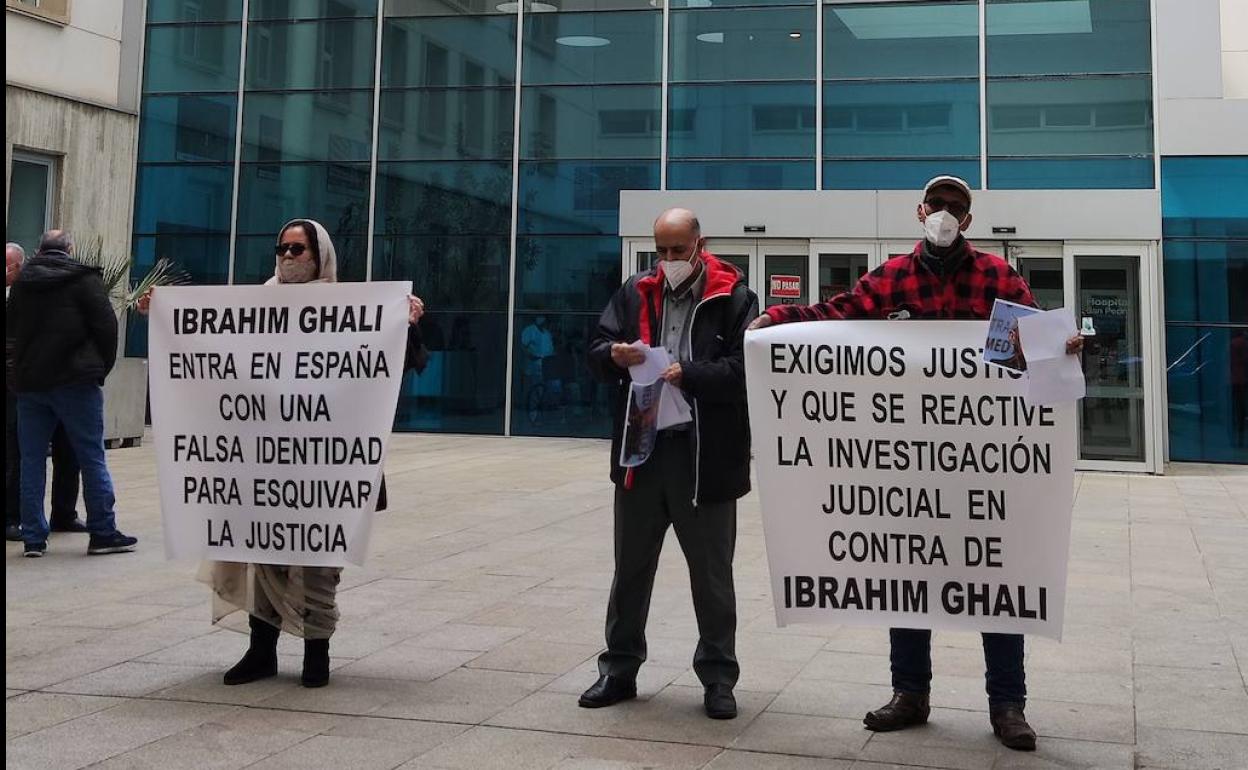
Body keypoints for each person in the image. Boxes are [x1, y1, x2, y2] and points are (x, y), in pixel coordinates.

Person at [750, 175, 1085, 751]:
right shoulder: (890, 278)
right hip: (910, 463)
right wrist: (775, 324)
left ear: (970, 221)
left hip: (987, 462)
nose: (946, 215)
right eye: (939, 205)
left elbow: (1035, 347)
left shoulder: (998, 277)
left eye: (958, 207)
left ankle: (1008, 705)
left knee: (998, 576)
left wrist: (1063, 344)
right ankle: (910, 692)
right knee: (908, 570)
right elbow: (838, 313)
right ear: (919, 211)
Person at [137, 218, 428, 688]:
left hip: (325, 466)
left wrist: (404, 324)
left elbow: (401, 364)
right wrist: (162, 314)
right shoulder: (256, 305)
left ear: (319, 255)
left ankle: (317, 653)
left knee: (318, 561)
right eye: (283, 248)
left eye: (298, 249)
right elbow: (208, 352)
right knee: (262, 553)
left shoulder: (349, 306)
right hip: (261, 462)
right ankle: (261, 651)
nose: (288, 257)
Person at [582, 208, 758, 720]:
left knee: (711, 575)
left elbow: (746, 370)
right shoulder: (636, 290)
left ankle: (719, 678)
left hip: (703, 458)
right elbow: (593, 347)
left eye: (678, 250)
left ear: (701, 244)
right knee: (630, 568)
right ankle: (618, 669)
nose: (668, 261)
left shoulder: (735, 297)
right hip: (642, 451)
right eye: (660, 250)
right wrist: (612, 354)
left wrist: (691, 374)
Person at [7, 231, 139, 558]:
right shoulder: (84, 279)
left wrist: (16, 374)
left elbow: (10, 332)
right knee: (91, 456)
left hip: (31, 384)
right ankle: (103, 531)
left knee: (32, 460)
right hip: (76, 381)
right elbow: (107, 329)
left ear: (39, 250)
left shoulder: (22, 285)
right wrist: (99, 369)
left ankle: (34, 537)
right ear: (70, 249)